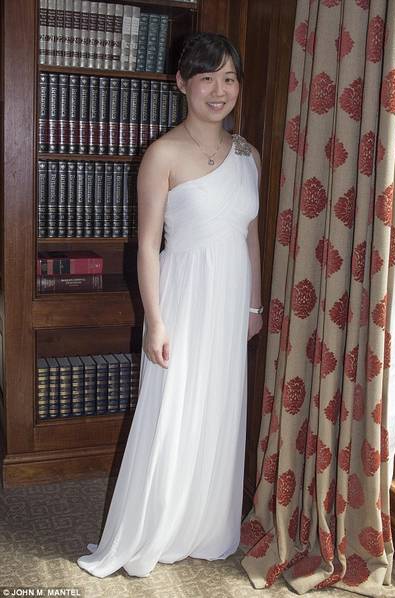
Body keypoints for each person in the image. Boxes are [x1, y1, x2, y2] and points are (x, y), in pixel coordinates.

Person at [77, 31, 263, 579]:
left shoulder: (248, 155)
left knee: (218, 410)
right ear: (182, 82)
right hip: (182, 299)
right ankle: (156, 527)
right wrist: (155, 321)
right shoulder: (162, 154)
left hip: (231, 303)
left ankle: (204, 526)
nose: (219, 90)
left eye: (229, 78)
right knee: (172, 412)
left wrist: (255, 308)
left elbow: (250, 238)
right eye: (207, 77)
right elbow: (146, 246)